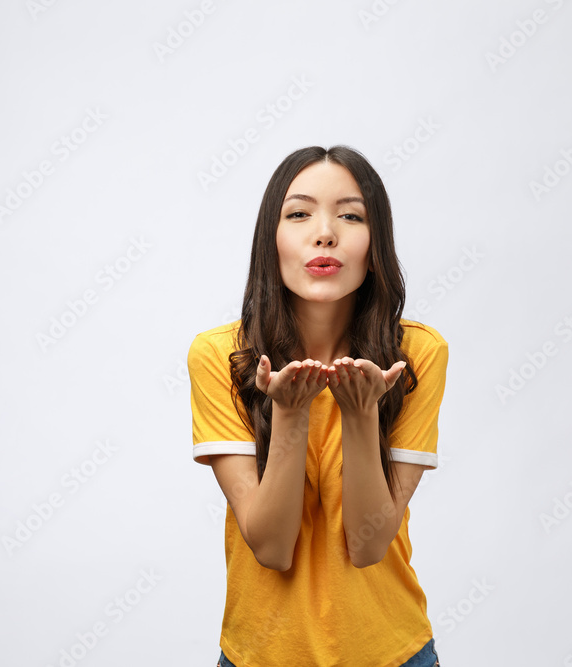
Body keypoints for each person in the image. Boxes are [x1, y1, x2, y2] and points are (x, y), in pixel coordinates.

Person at [187, 145, 448, 667]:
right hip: (260, 655)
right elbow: (272, 548)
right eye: (299, 213)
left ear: (376, 246)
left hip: (392, 653)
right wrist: (289, 413)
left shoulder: (416, 354)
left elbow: (368, 545)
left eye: (350, 215)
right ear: (271, 241)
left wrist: (359, 413)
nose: (325, 232)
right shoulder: (222, 357)